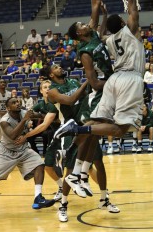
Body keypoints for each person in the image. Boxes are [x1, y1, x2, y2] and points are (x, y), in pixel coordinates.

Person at [53, 0, 145, 193]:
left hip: (113, 80)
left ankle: (79, 175)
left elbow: (96, 4)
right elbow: (132, 2)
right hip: (121, 81)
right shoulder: (123, 35)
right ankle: (76, 132)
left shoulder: (103, 38)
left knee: (98, 125)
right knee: (119, 129)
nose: (85, 23)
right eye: (81, 24)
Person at [47, 65, 119, 221]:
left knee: (99, 163)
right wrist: (88, 80)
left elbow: (88, 94)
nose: (60, 68)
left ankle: (104, 199)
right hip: (71, 129)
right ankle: (63, 206)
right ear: (51, 75)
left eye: (60, 66)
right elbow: (71, 100)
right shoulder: (51, 91)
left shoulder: (73, 82)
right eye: (56, 67)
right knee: (70, 170)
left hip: (88, 126)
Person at [0, 97, 55, 210]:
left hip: (23, 149)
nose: (17, 103)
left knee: (39, 164)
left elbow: (38, 115)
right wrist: (24, 120)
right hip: (6, 152)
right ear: (8, 107)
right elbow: (13, 136)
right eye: (14, 103)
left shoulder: (24, 112)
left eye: (18, 101)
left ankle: (38, 198)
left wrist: (50, 115)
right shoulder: (4, 120)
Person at [15, 80, 63, 202]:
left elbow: (44, 125)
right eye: (45, 87)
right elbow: (29, 112)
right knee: (47, 165)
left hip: (66, 134)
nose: (47, 89)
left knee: (64, 166)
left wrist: (25, 136)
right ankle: (63, 187)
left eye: (49, 87)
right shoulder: (42, 104)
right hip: (56, 135)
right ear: (41, 91)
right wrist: (26, 118)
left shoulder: (54, 103)